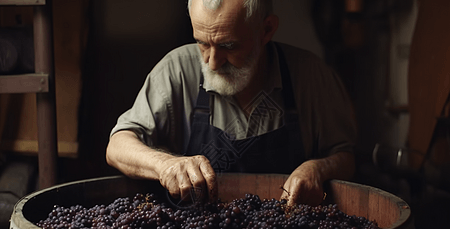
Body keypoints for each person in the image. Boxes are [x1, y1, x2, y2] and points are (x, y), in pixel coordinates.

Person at [106, 0, 357, 206]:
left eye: (228, 45)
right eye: (203, 43)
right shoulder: (176, 70)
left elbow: (346, 156)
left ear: (267, 30)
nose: (213, 62)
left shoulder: (311, 76)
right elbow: (117, 146)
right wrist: (165, 165)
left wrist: (318, 168)